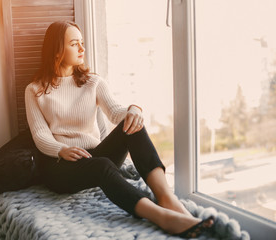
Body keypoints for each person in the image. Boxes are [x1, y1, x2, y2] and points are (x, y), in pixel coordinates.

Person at [25, 20, 214, 238]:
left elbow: (116, 112)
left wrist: (133, 109)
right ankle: (161, 217)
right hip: (61, 166)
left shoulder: (92, 82)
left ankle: (167, 199)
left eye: (82, 43)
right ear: (57, 50)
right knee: (102, 165)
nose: (82, 49)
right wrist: (61, 149)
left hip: (93, 155)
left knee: (133, 126)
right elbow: (39, 134)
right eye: (74, 44)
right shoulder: (35, 90)